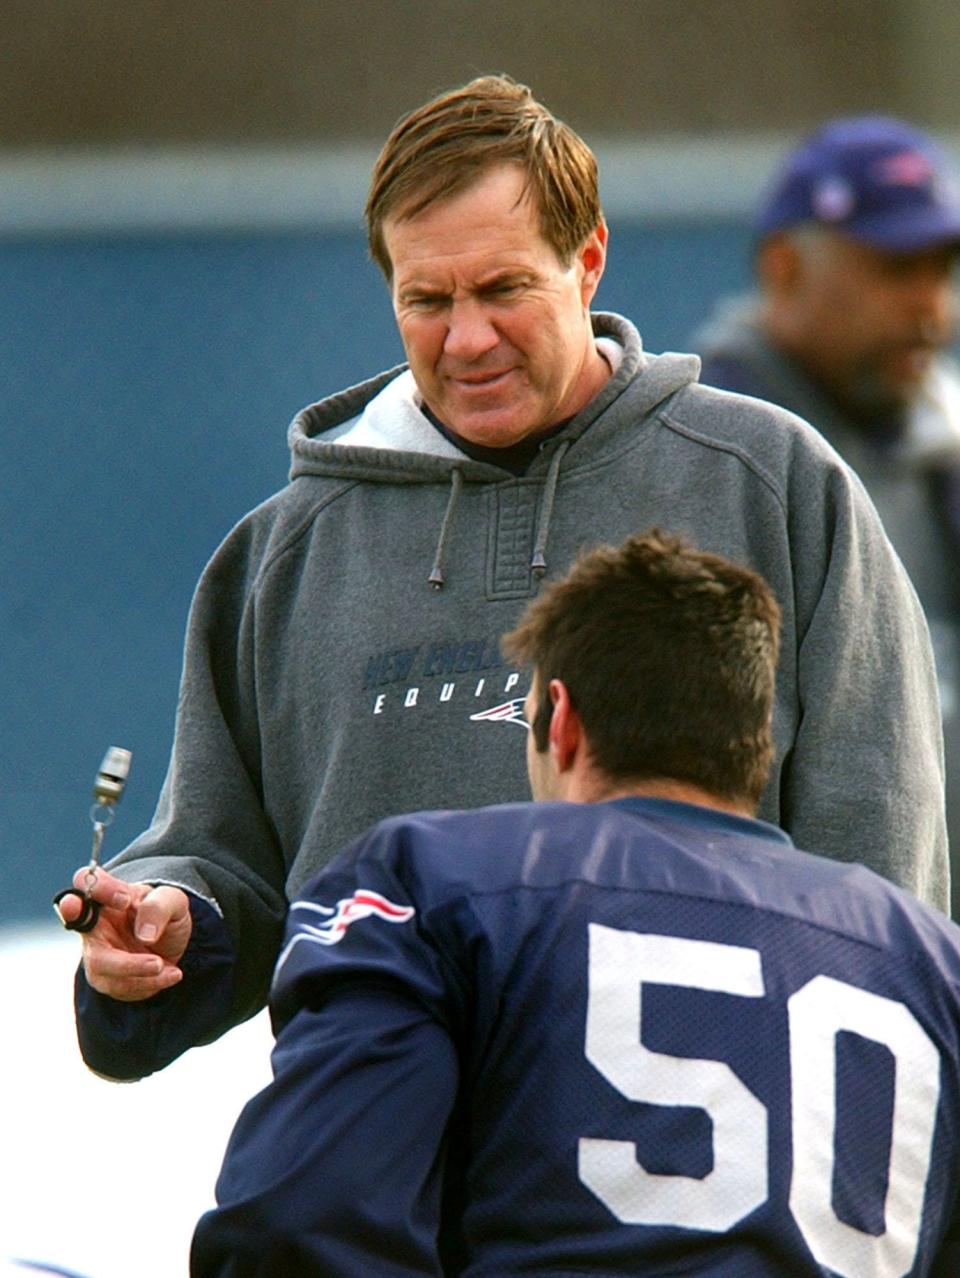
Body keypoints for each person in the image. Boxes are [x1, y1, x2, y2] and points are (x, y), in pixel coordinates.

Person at [58, 76, 948, 1083]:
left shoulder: (772, 486)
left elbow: (883, 873)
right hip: (381, 1186)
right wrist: (165, 924)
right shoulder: (283, 553)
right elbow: (222, 868)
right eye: (427, 300)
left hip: (695, 1186)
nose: (466, 338)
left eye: (502, 289)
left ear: (589, 261)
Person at [191, 529, 960, 1277]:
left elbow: (301, 1224)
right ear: (748, 731)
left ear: (560, 721)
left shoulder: (437, 879)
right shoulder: (934, 965)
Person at [690, 115, 960, 914]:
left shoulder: (942, 448)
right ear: (783, 269)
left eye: (941, 269)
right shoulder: (708, 460)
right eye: (894, 268)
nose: (931, 308)